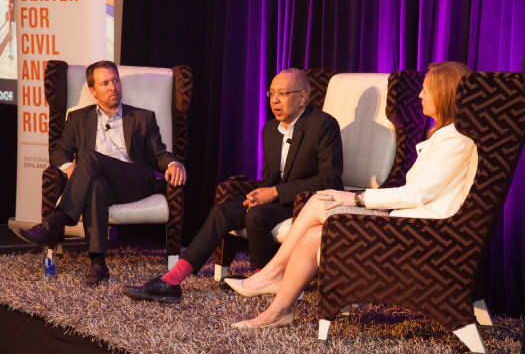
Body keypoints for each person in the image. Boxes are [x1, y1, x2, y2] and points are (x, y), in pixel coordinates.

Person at [225, 61, 478, 328]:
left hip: (419, 232)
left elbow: (417, 194)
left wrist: (357, 198)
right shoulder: (444, 135)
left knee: (320, 201)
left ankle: (273, 272)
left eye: (426, 90)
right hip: (409, 222)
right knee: (314, 232)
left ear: (445, 94)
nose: (420, 95)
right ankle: (278, 311)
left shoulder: (454, 140)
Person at [122, 68, 344, 303]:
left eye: (282, 93)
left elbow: (330, 178)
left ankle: (264, 278)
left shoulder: (323, 125)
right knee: (222, 211)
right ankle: (173, 280)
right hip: (276, 199)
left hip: (306, 203)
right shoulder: (270, 129)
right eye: (271, 93)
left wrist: (275, 192)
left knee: (257, 215)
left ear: (302, 97)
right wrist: (259, 193)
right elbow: (269, 178)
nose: (275, 100)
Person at [12, 60, 186, 286]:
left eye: (116, 80)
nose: (113, 87)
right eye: (105, 83)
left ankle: (55, 223)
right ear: (93, 90)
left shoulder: (143, 117)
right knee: (95, 186)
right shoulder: (77, 118)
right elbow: (58, 153)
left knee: (89, 157)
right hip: (101, 182)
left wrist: (173, 164)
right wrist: (72, 168)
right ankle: (98, 264)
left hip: (135, 181)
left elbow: (158, 155)